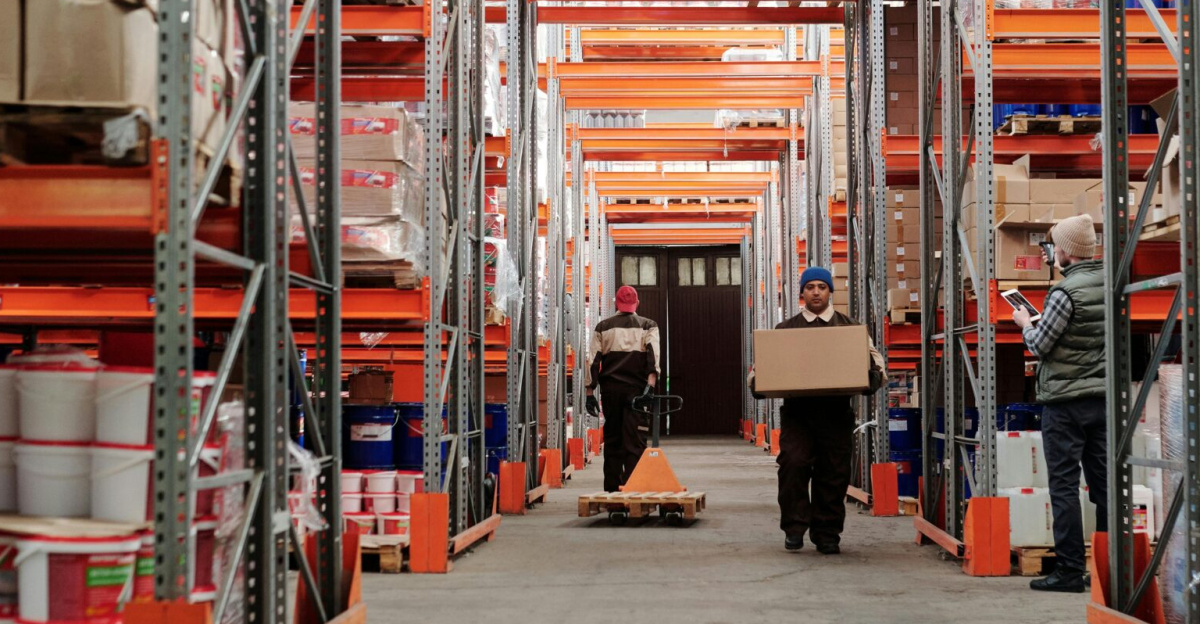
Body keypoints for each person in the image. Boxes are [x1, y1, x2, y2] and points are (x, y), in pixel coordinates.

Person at [749, 267, 885, 555]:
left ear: (829, 292)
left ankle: (827, 533)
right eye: (809, 287)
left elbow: (876, 366)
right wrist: (758, 383)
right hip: (798, 414)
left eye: (821, 287)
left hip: (835, 413)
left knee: (833, 473)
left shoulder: (850, 329)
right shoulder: (784, 331)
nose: (815, 292)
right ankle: (794, 528)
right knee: (793, 465)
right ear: (802, 293)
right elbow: (759, 373)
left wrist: (869, 378)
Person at [1013, 213, 1106, 593]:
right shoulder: (1110, 282)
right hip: (1102, 400)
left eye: (1053, 247)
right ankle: (1106, 568)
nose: (1051, 253)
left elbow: (1039, 345)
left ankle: (1069, 571)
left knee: (1064, 487)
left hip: (1065, 403)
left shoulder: (1064, 293)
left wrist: (1025, 322)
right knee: (1105, 488)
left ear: (1066, 250)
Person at [585, 285, 661, 493]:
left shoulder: (603, 327)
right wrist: (650, 387)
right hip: (637, 392)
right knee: (635, 442)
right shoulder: (648, 325)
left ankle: (612, 491)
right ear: (636, 304)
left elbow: (592, 361)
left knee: (613, 440)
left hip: (611, 392)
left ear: (616, 304)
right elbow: (653, 358)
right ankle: (634, 490)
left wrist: (590, 393)